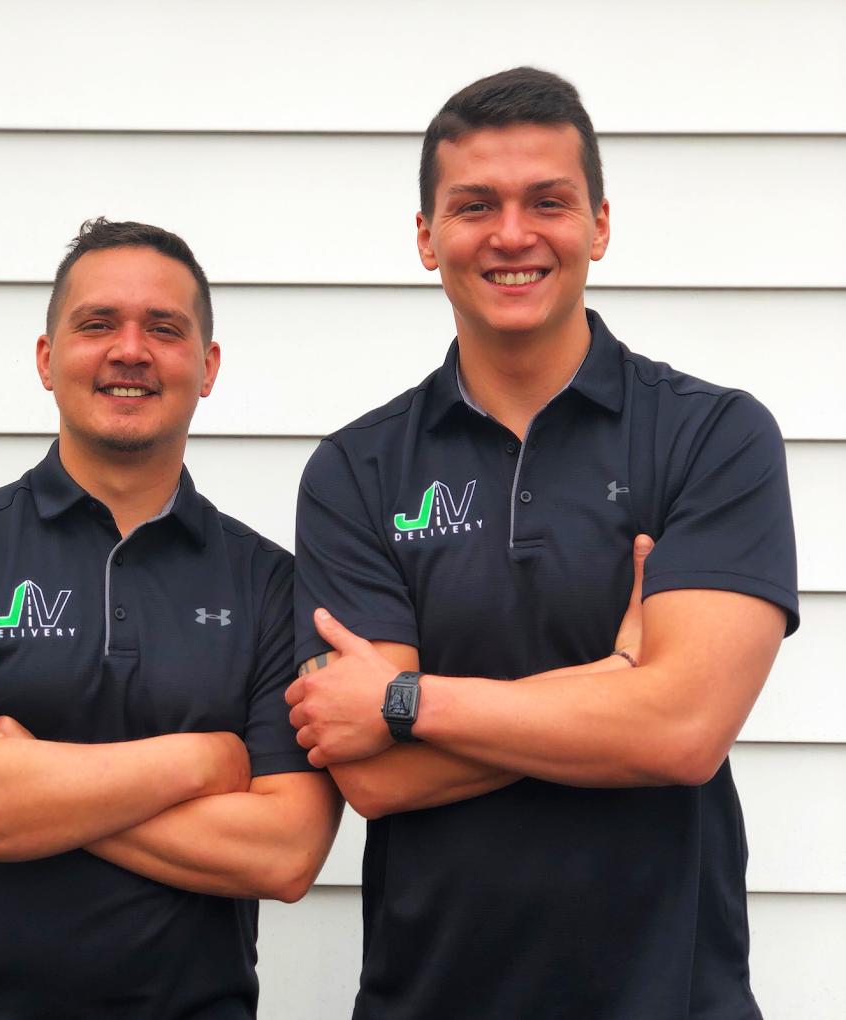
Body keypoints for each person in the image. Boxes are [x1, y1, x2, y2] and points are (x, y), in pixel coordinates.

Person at [287, 68, 796, 1019]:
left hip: (668, 998)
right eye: (475, 204)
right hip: (430, 998)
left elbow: (684, 733)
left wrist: (406, 700)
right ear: (427, 236)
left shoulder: (711, 436)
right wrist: (618, 679)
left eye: (548, 202)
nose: (512, 234)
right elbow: (374, 774)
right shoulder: (356, 471)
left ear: (598, 225)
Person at [0, 217, 342, 1020]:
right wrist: (202, 760)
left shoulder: (270, 585)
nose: (130, 350)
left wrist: (27, 778)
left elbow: (284, 852)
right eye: (97, 324)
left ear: (207, 367)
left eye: (164, 328)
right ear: (47, 359)